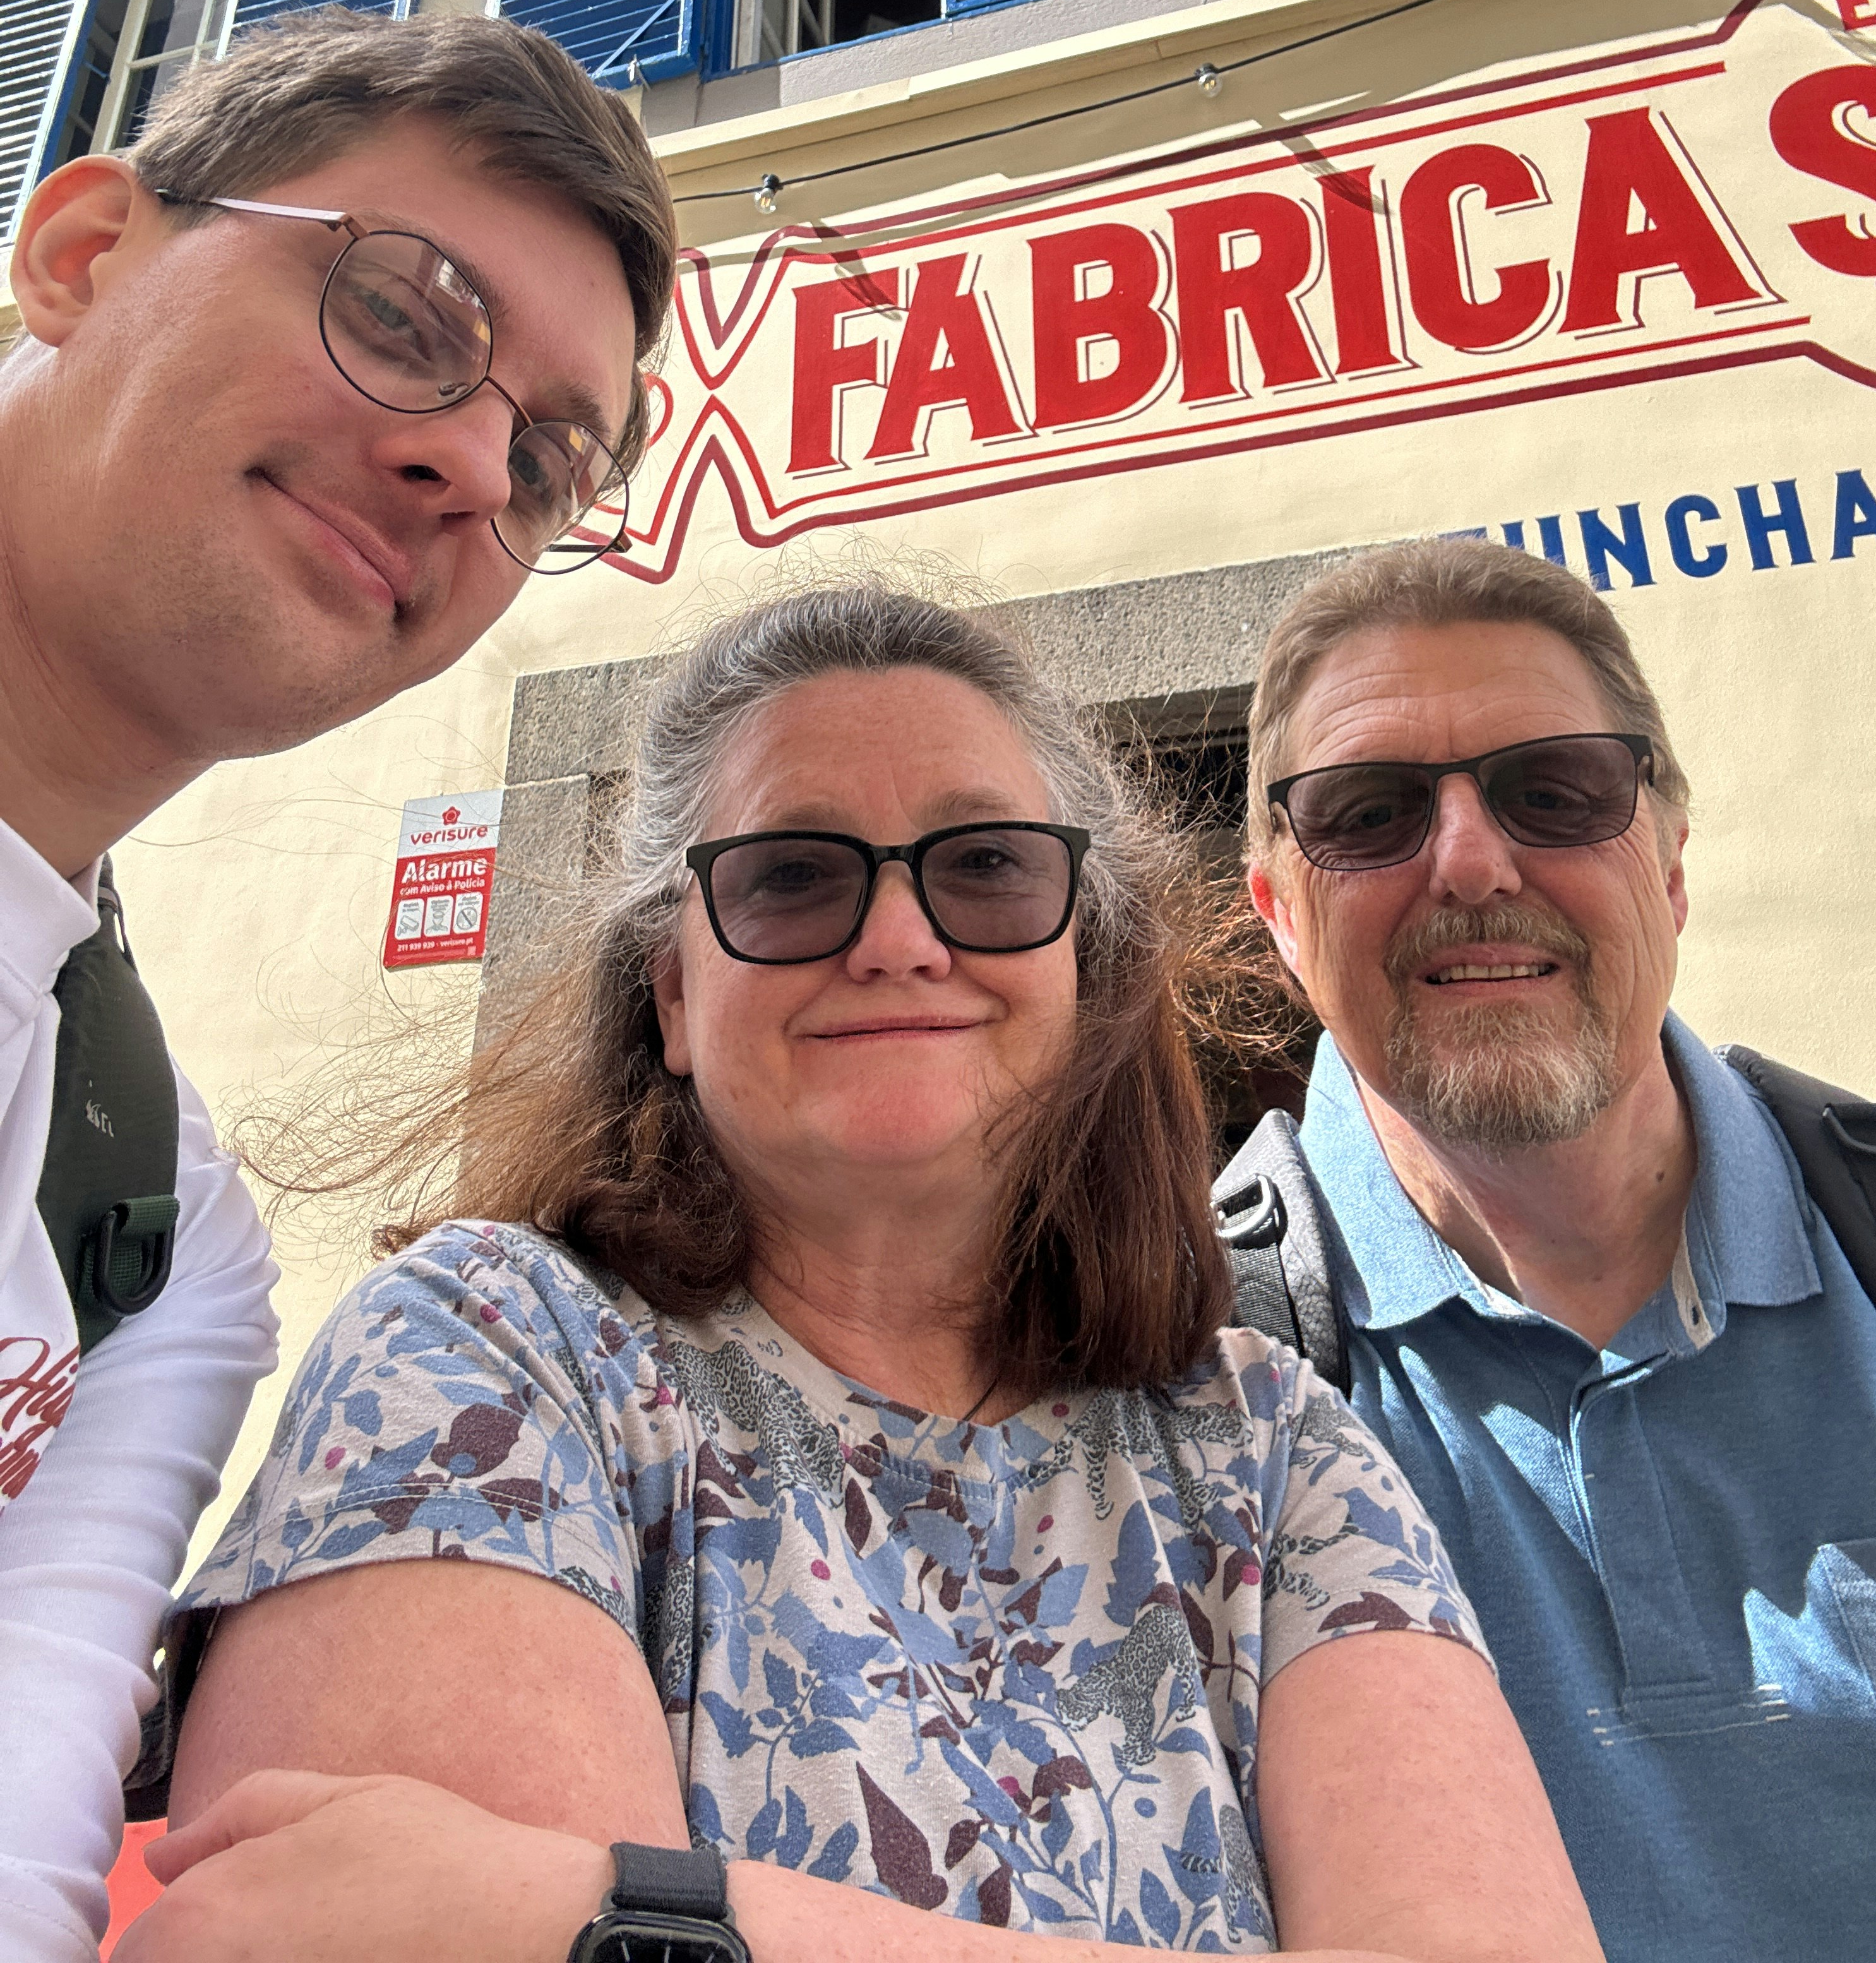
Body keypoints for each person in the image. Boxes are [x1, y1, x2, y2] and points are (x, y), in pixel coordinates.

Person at [128, 585, 1601, 1963]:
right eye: (789, 879)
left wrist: (602, 1917)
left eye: (988, 869)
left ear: (1085, 968)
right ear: (675, 994)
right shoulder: (491, 1360)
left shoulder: (1268, 1444)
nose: (900, 940)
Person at [0, 4, 678, 1963]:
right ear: (83, 253)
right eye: (404, 313)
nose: (471, 464)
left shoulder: (159, 1236)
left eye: (550, 462)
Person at [1238, 534, 1876, 1962]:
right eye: (1367, 814)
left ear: (1667, 860)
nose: (1472, 864)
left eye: (1558, 792)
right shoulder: (1160, 1365)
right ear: (1282, 919)